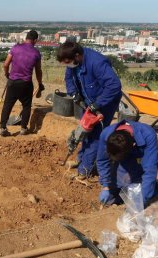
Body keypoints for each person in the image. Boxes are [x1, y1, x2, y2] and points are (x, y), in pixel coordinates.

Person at [56, 41, 122, 179]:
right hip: (88, 100)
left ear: (78, 55)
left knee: (95, 135)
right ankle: (81, 159)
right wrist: (73, 92)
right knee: (85, 131)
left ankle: (85, 169)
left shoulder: (97, 63)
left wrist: (97, 105)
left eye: (68, 62)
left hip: (105, 102)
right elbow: (69, 77)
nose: (67, 65)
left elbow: (114, 86)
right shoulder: (73, 61)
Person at [96, 120, 158, 207]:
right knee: (111, 198)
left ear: (133, 145)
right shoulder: (106, 134)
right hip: (121, 164)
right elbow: (102, 160)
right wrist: (105, 186)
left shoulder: (148, 135)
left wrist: (141, 202)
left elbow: (150, 170)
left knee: (141, 192)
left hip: (139, 162)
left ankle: (155, 187)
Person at [0, 30, 45, 137]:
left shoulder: (15, 48)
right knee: (26, 105)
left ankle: (2, 128)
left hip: (13, 82)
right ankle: (23, 129)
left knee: (7, 105)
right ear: (35, 40)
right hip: (26, 84)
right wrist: (40, 83)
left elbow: (6, 64)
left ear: (26, 38)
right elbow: (38, 70)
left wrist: (7, 75)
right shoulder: (36, 53)